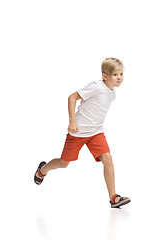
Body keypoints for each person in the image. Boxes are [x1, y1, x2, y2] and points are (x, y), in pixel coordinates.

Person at [34, 57, 130, 208]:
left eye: (121, 74)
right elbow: (72, 97)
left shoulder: (112, 93)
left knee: (108, 158)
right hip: (78, 132)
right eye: (115, 75)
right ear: (105, 76)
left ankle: (114, 197)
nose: (119, 78)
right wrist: (72, 121)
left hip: (96, 132)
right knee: (64, 163)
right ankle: (42, 170)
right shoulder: (96, 87)